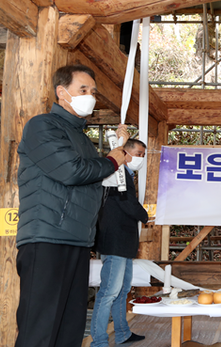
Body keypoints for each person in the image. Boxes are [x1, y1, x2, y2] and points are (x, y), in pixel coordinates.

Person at [15, 64, 127, 347]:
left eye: (93, 92)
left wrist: (108, 172)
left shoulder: (82, 139)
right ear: (61, 92)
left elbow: (89, 177)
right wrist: (112, 160)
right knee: (40, 329)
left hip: (77, 239)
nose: (90, 96)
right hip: (47, 237)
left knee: (70, 328)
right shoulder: (42, 125)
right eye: (83, 90)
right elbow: (71, 171)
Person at [91, 139, 149, 346]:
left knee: (122, 291)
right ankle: (98, 341)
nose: (140, 158)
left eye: (143, 154)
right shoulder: (117, 172)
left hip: (124, 242)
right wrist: (146, 215)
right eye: (138, 153)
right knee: (108, 293)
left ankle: (123, 332)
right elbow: (127, 202)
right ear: (125, 152)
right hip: (114, 241)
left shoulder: (126, 173)